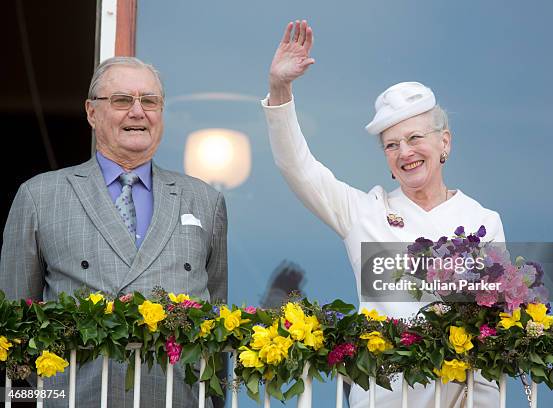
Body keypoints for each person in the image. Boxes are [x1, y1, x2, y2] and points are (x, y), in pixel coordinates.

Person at [262, 21, 504, 407]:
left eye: (414, 138)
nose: (404, 152)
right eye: (392, 145)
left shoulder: (483, 221)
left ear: (444, 143)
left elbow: (494, 330)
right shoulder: (366, 212)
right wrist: (280, 89)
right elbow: (298, 168)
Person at [0, 56, 227, 408]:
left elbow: (216, 323)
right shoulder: (39, 196)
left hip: (175, 398)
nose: (138, 112)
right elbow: (13, 325)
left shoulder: (205, 201)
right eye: (122, 100)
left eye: (149, 101)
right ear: (92, 113)